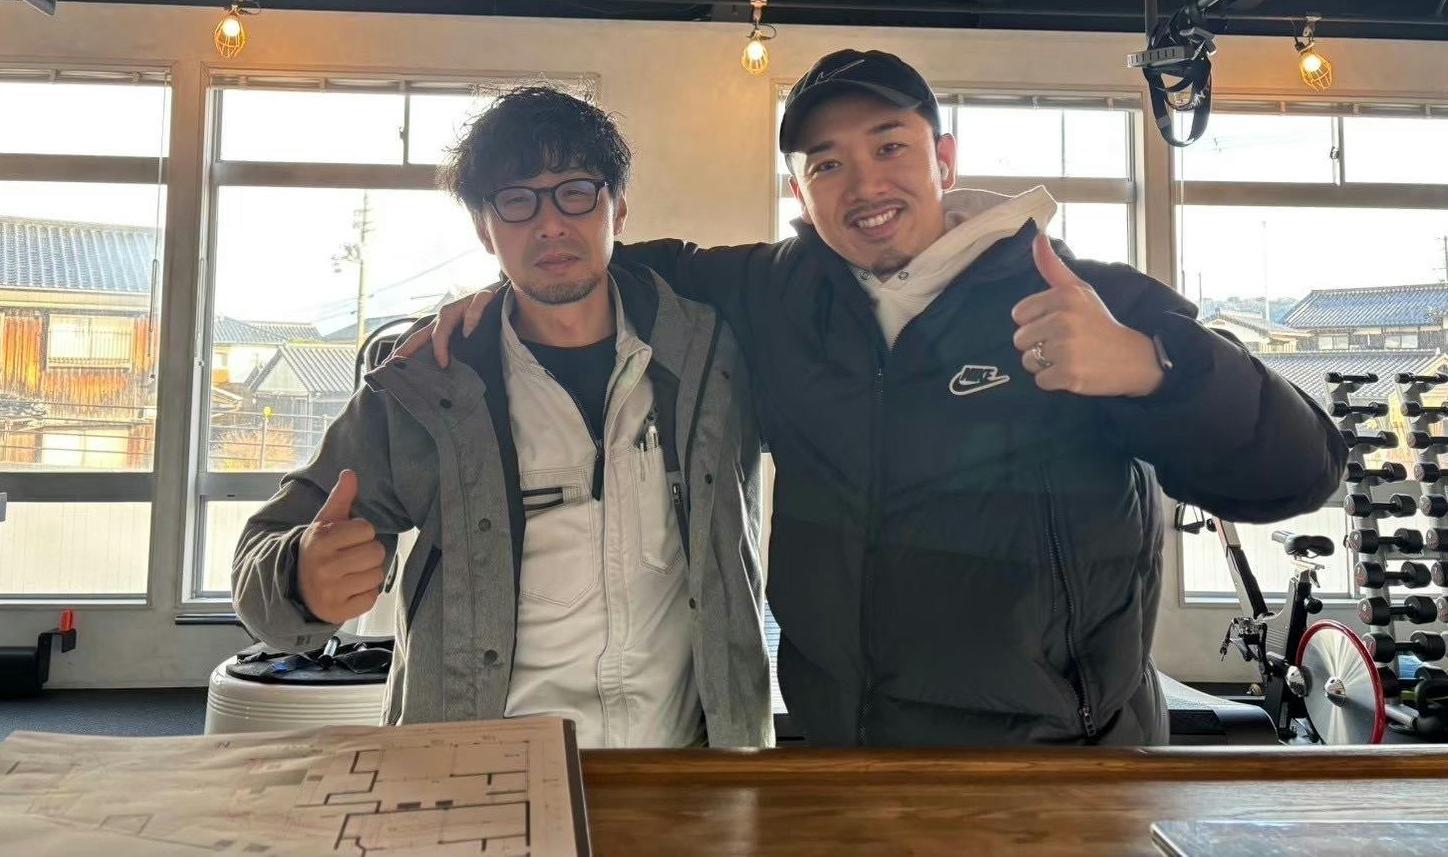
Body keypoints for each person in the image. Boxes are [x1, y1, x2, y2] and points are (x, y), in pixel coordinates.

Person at [400, 51, 1345, 748]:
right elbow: (588, 263)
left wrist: (1153, 369)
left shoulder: (1081, 298)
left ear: (943, 156)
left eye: (888, 146)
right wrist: (482, 304)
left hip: (1061, 763)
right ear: (799, 187)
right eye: (826, 164)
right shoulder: (772, 298)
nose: (863, 185)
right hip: (846, 754)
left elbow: (1302, 471)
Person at [232, 87, 772, 749]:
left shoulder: (713, 358)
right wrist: (299, 580)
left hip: (688, 766)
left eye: (576, 192)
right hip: (482, 766)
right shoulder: (427, 385)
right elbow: (261, 556)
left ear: (619, 207)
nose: (550, 224)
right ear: (485, 228)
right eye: (517, 201)